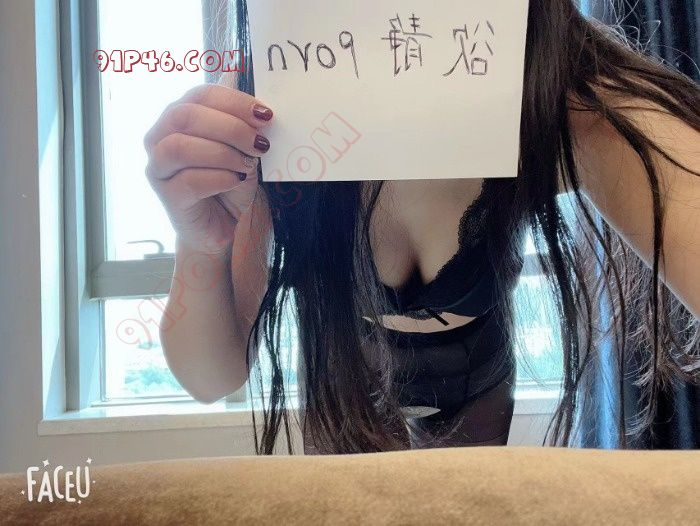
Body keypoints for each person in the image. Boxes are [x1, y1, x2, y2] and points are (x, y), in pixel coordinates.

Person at [144, 0, 700, 455]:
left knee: (465, 508)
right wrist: (200, 242)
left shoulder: (573, 99)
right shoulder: (267, 110)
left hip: (477, 371)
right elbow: (210, 377)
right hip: (348, 374)